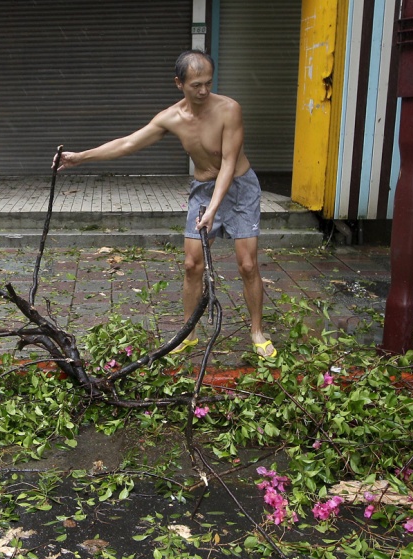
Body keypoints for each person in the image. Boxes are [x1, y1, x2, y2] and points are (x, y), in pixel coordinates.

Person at [56, 50, 276, 358]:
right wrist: (80, 157)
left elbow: (228, 162)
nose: (203, 90)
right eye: (196, 85)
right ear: (179, 83)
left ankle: (257, 331)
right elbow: (128, 143)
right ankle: (188, 333)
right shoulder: (170, 118)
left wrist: (213, 209)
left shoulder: (229, 109)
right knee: (192, 265)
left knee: (248, 264)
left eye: (208, 83)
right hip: (203, 189)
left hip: (239, 187)